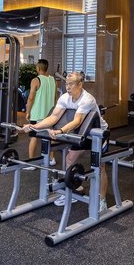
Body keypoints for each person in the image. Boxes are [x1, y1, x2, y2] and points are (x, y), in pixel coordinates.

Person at [22, 72, 108, 210]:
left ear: (80, 84)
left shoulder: (87, 99)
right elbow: (54, 117)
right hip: (81, 134)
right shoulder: (64, 97)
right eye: (66, 84)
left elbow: (77, 120)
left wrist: (61, 131)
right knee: (69, 159)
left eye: (71, 84)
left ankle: (102, 199)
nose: (67, 87)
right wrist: (34, 126)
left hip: (98, 135)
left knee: (100, 166)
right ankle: (74, 189)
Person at [24, 59, 57, 165]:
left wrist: (28, 111)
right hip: (50, 115)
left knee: (34, 137)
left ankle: (31, 163)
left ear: (38, 68)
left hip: (37, 114)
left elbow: (30, 98)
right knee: (50, 136)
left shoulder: (36, 80)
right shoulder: (53, 80)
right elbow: (55, 97)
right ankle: (52, 159)